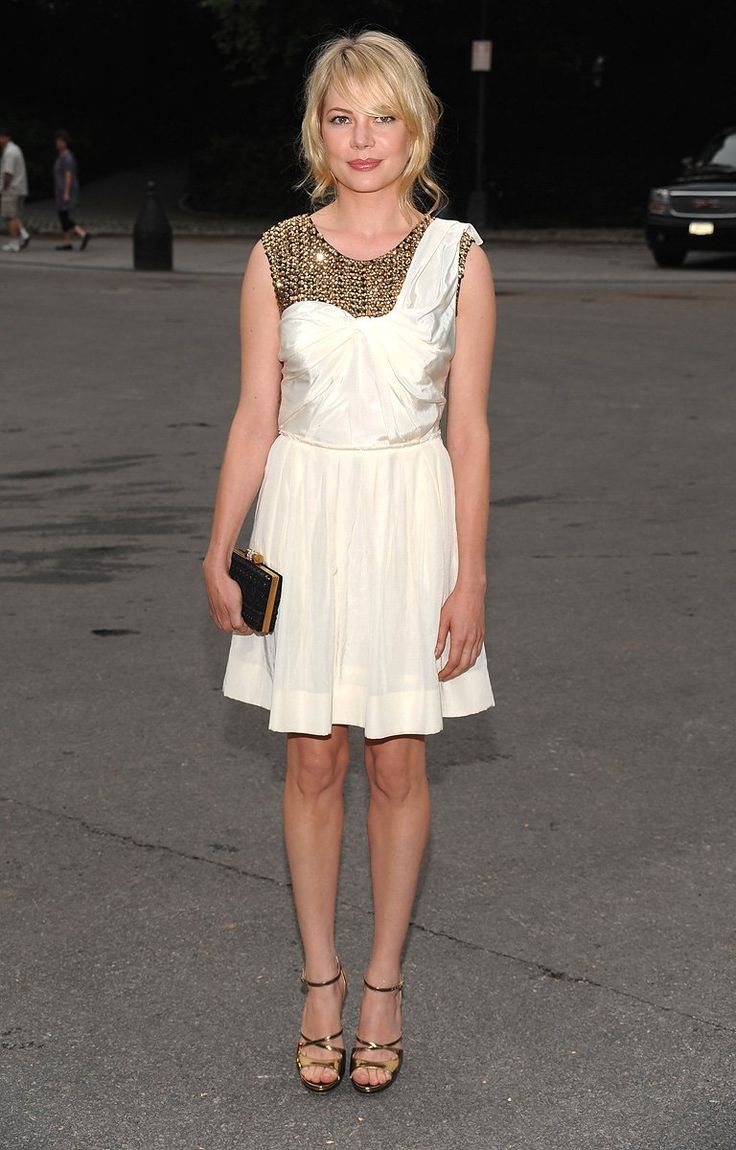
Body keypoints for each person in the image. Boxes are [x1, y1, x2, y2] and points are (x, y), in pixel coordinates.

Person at [203, 29, 496, 1095]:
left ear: (416, 129)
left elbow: (468, 430)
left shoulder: (459, 255)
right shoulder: (277, 252)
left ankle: (383, 985)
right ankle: (320, 978)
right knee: (313, 759)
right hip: (305, 518)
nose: (362, 138)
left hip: (411, 520)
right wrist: (221, 545)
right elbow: (255, 414)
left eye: (383, 116)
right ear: (316, 134)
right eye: (341, 118)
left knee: (397, 763)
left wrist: (470, 575)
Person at [53, 131, 89, 251]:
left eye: (61, 141)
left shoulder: (67, 157)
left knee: (63, 215)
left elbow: (68, 175)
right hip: (60, 189)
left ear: (66, 143)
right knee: (62, 214)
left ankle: (83, 233)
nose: (58, 143)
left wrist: (66, 192)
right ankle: (67, 242)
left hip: (65, 189)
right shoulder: (61, 156)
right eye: (57, 141)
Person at [0, 129, 30, 252]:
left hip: (11, 189)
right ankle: (23, 234)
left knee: (10, 216)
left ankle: (14, 242)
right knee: (14, 215)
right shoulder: (15, 149)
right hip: (18, 187)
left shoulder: (9, 152)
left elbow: (8, 173)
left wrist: (3, 189)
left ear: (5, 137)